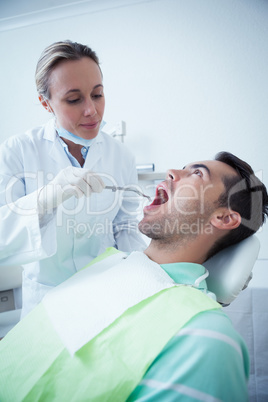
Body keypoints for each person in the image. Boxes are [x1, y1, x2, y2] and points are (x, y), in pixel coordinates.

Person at [0, 152, 267, 401]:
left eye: (197, 174)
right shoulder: (108, 264)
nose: (171, 171)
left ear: (223, 217)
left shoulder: (207, 338)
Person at [0, 40, 145, 317]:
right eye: (74, 99)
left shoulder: (121, 156)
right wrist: (46, 198)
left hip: (108, 296)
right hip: (46, 302)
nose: (91, 110)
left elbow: (126, 227)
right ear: (46, 103)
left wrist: (143, 274)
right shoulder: (16, 151)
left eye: (98, 95)